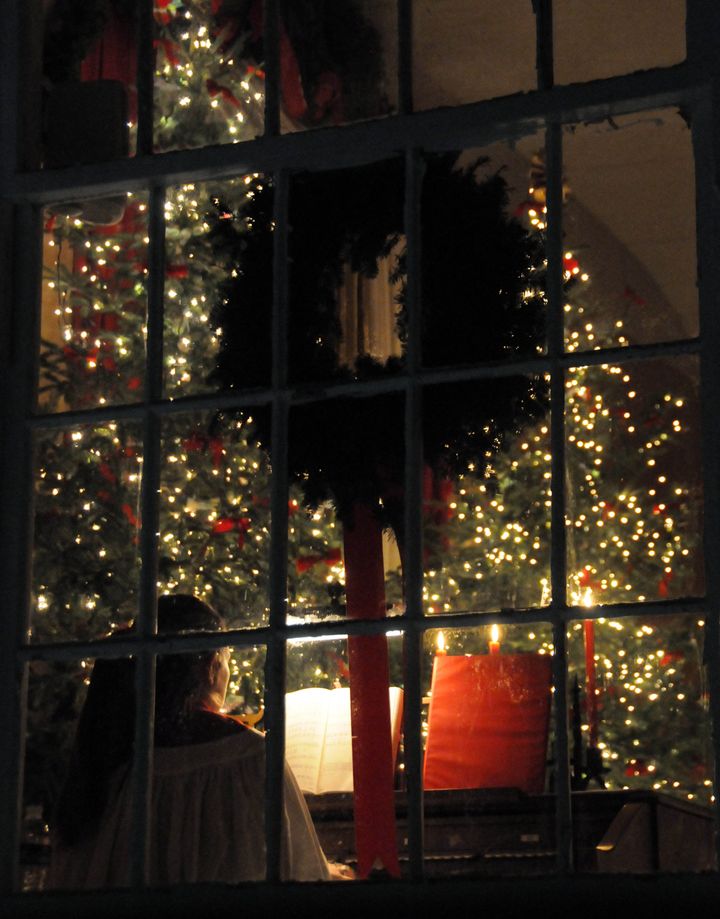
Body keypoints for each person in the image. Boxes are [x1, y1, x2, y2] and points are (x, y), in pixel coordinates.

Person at [49, 593, 349, 887]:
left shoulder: (109, 750)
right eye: (227, 659)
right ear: (210, 665)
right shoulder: (250, 755)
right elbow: (302, 877)